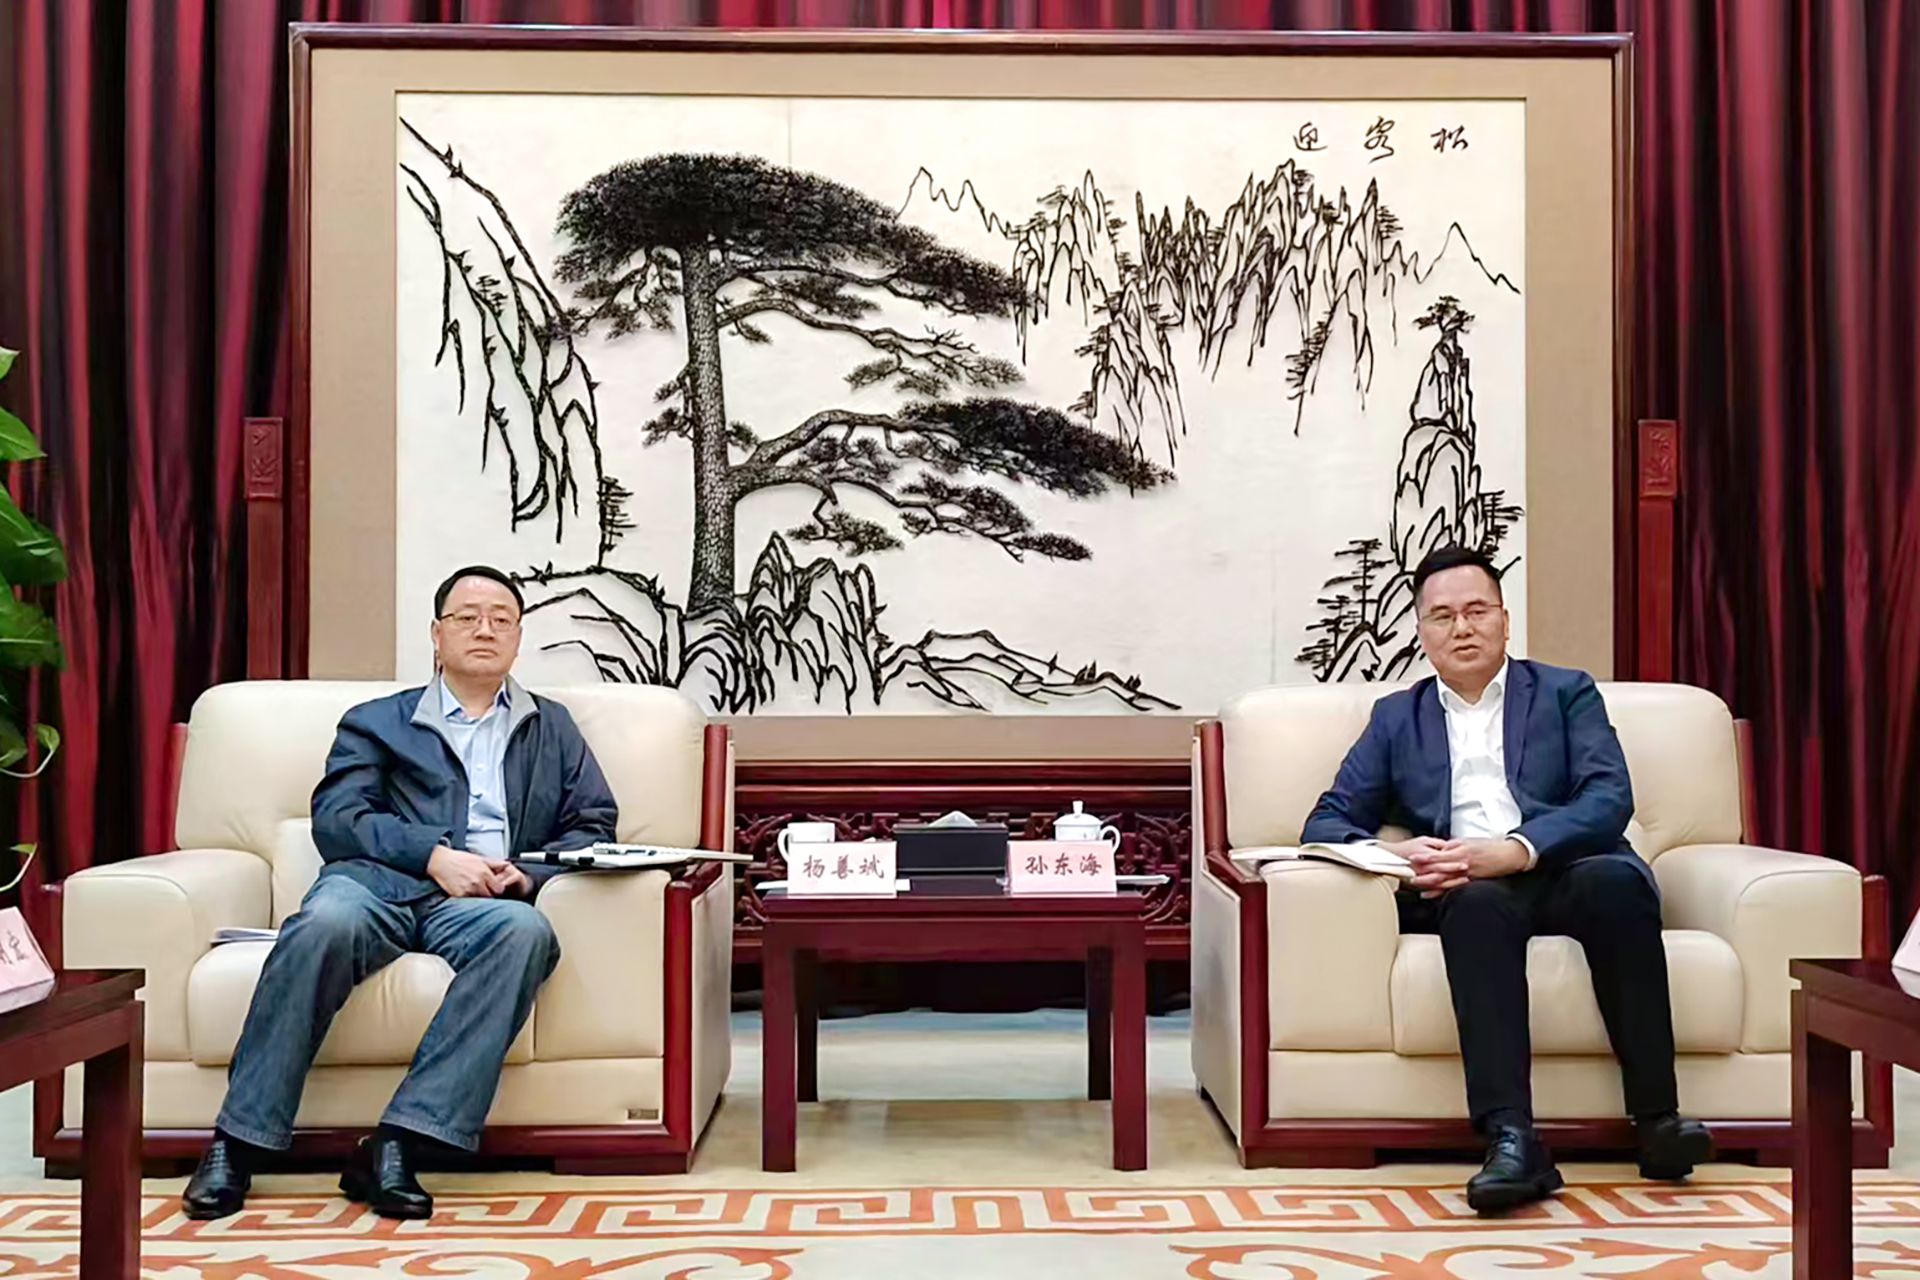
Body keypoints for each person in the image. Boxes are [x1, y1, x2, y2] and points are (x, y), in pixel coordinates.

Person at [183, 565, 617, 1221]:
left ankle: (397, 1144)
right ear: (436, 635)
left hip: (482, 904)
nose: (485, 629)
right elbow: (339, 819)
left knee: (525, 933)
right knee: (323, 923)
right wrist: (434, 856)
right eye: (468, 617)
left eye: (501, 619)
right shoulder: (378, 722)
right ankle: (237, 1142)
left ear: (518, 638)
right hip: (376, 887)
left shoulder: (552, 728)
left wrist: (526, 874)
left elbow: (593, 825)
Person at [1302, 545, 1712, 1215]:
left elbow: (1608, 796)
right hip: (1471, 886)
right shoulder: (1396, 718)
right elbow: (1326, 821)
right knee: (1473, 907)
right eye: (1442, 616)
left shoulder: (1564, 692)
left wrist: (1517, 849)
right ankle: (1513, 1142)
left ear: (1504, 619)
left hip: (1565, 866)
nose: (1462, 628)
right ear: (1420, 630)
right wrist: (1401, 857)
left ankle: (1658, 1120)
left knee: (1619, 885)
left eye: (1477, 611)